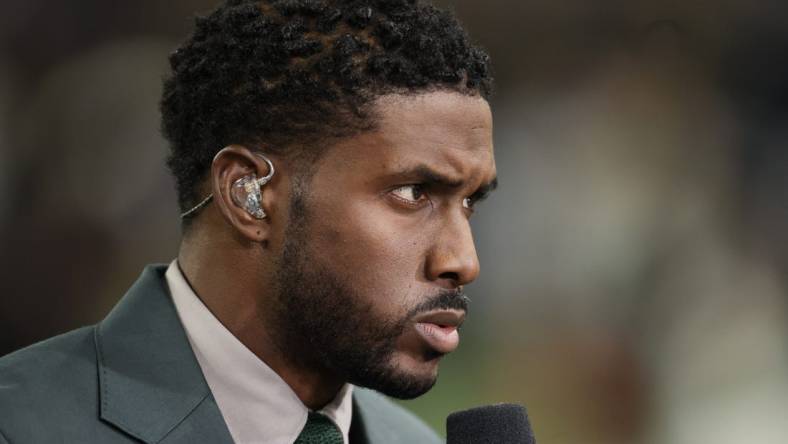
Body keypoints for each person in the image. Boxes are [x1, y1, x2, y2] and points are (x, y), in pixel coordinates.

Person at [0, 0, 497, 442]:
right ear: (248, 195)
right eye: (413, 193)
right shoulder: (20, 424)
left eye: (471, 200)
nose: (463, 261)